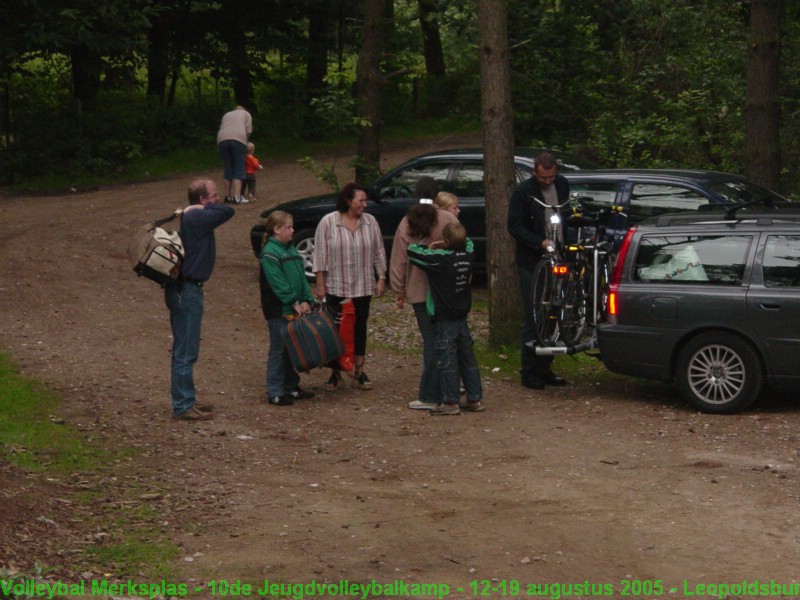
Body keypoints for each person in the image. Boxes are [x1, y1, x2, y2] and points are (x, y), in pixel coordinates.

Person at [166, 178, 235, 421]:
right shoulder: (197, 217)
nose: (217, 198)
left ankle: (187, 399)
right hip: (188, 290)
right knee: (186, 350)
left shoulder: (193, 217)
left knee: (185, 347)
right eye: (213, 195)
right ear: (203, 199)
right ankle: (183, 405)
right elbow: (229, 209)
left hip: (183, 289)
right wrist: (196, 209)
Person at [313, 182, 387, 390]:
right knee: (335, 328)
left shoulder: (370, 222)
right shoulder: (329, 222)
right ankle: (335, 371)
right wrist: (320, 284)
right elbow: (320, 254)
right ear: (348, 200)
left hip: (363, 284)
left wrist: (381, 276)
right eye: (360, 201)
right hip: (336, 284)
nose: (364, 205)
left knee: (360, 327)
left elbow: (378, 250)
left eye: (365, 201)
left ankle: (359, 371)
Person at [408, 222, 484, 416]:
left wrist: (430, 245)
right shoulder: (468, 255)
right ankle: (475, 398)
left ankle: (450, 402)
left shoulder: (440, 260)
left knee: (447, 359)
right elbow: (469, 244)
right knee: (468, 358)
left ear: (447, 240)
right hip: (462, 316)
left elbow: (413, 252)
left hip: (444, 318)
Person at [507, 151, 569, 390]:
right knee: (534, 313)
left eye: (551, 177)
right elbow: (514, 226)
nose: (547, 181)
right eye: (543, 178)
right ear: (535, 172)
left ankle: (545, 367)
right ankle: (529, 369)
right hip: (532, 260)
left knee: (554, 311)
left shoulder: (562, 185)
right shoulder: (523, 193)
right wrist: (539, 242)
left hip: (558, 256)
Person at [390, 201, 458, 410]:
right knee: (449, 342)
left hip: (420, 291)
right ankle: (455, 390)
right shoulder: (449, 219)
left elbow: (399, 258)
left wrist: (398, 289)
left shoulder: (407, 222)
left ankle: (430, 394)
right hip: (447, 293)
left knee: (431, 342)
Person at [259, 211, 316, 406]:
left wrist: (308, 298)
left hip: (294, 307)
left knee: (292, 349)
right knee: (278, 350)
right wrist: (294, 301)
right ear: (277, 229)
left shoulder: (290, 250)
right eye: (289, 227)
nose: (293, 231)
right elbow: (278, 283)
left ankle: (291, 386)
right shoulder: (270, 253)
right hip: (278, 310)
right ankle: (275, 391)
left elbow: (301, 278)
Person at [216, 105, 252, 204]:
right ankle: (237, 197)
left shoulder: (226, 114)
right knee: (239, 166)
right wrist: (246, 142)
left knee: (228, 166)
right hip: (238, 139)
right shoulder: (246, 114)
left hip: (222, 140)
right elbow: (248, 131)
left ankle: (228, 196)